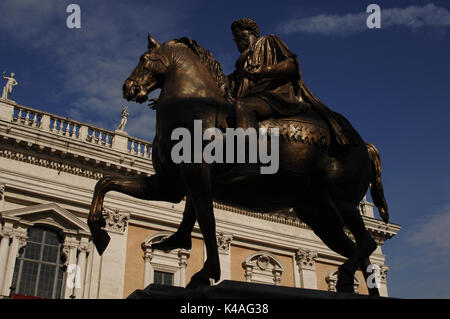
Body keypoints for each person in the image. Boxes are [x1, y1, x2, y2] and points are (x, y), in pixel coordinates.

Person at [227, 18, 352, 146]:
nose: (236, 39)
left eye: (240, 34)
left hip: (275, 95)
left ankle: (248, 159)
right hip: (256, 97)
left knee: (244, 106)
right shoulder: (240, 67)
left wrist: (265, 69)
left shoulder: (268, 41)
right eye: (234, 37)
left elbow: (291, 64)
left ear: (251, 33)